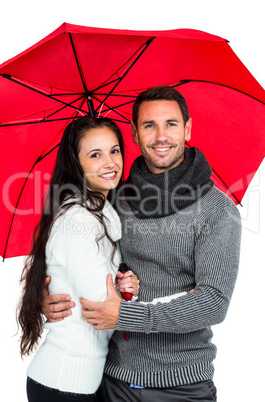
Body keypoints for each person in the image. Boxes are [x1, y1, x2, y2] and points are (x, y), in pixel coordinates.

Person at [43, 86, 242, 401]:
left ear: (188, 129)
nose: (160, 135)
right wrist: (52, 297)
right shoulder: (114, 198)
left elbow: (212, 303)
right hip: (111, 380)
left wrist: (125, 316)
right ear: (134, 133)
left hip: (182, 385)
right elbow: (78, 258)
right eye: (149, 125)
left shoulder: (217, 210)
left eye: (171, 124)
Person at [17, 116, 140, 402]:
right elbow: (100, 307)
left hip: (80, 380)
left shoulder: (100, 211)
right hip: (64, 381)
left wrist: (126, 284)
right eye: (95, 154)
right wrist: (133, 293)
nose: (110, 162)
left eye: (114, 150)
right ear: (77, 163)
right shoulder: (80, 219)